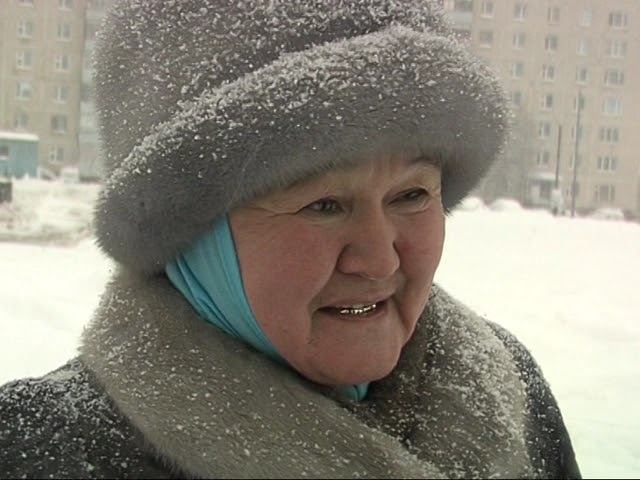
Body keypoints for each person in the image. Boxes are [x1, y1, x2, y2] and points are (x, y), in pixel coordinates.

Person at [0, 1, 581, 478]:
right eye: (323, 205)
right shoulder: (44, 453)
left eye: (411, 195)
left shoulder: (509, 392)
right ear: (192, 236)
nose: (379, 259)